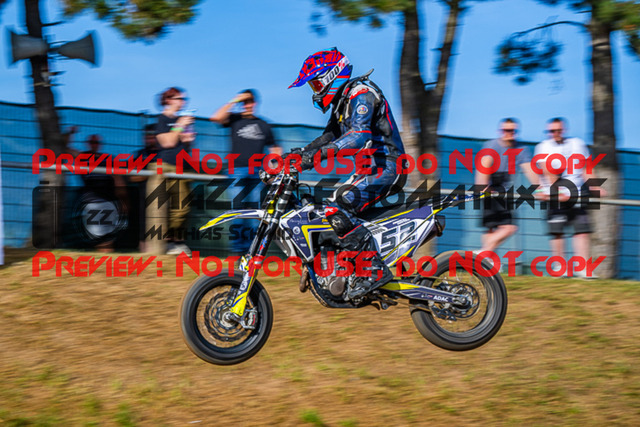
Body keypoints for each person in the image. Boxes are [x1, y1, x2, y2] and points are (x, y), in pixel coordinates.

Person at [288, 47, 406, 300]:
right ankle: (336, 268)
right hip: (368, 170)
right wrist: (298, 156)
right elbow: (328, 137)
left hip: (387, 166)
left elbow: (359, 135)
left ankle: (372, 271)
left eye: (316, 83)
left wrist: (315, 157)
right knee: (323, 212)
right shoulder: (342, 102)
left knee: (338, 206)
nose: (315, 91)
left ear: (332, 76)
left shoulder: (362, 94)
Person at [210, 89, 281, 255]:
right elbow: (216, 117)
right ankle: (237, 250)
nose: (247, 105)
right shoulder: (235, 119)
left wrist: (274, 168)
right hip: (236, 171)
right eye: (244, 102)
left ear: (255, 103)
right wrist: (235, 100)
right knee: (237, 211)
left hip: (257, 173)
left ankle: (251, 251)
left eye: (250, 101)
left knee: (255, 213)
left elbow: (275, 148)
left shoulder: (264, 125)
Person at [534, 117, 605, 278]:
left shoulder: (578, 143)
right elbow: (547, 171)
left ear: (564, 129)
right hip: (554, 196)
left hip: (577, 194)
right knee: (557, 231)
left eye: (558, 130)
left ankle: (583, 268)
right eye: (551, 131)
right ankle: (560, 267)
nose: (555, 133)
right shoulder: (543, 147)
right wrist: (558, 192)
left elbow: (586, 168)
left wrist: (595, 186)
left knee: (582, 231)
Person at [475, 118, 538, 258]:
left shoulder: (521, 148)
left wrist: (540, 189)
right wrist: (483, 187)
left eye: (512, 130)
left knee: (509, 228)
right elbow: (483, 168)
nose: (509, 133)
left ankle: (482, 255)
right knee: (490, 228)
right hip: (489, 187)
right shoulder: (491, 146)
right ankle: (486, 260)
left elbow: (529, 170)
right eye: (506, 130)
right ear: (500, 131)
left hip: (503, 190)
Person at [147, 87, 195, 255]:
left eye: (184, 99)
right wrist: (180, 125)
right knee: (160, 209)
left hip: (182, 167)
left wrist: (188, 138)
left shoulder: (180, 120)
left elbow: (184, 145)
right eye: (180, 98)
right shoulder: (162, 119)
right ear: (168, 100)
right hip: (165, 167)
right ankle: (169, 243)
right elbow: (167, 142)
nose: (183, 102)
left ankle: (175, 242)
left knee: (183, 208)